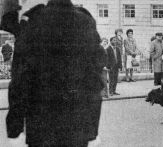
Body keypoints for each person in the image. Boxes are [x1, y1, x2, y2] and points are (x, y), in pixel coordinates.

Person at [5, 0, 105, 146]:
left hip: (41, 124)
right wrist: (92, 130)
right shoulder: (86, 22)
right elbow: (94, 81)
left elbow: (20, 80)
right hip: (76, 124)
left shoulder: (33, 21)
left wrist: (15, 128)